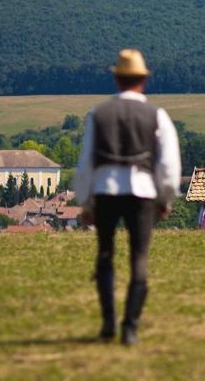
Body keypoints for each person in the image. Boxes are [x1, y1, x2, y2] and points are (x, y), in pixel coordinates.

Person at [75, 48, 181, 346]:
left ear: (117, 79)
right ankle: (130, 326)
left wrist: (86, 202)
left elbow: (86, 163)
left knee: (105, 256)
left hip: (106, 190)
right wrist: (165, 198)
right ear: (142, 80)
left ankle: (108, 321)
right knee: (139, 259)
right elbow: (169, 164)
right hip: (143, 192)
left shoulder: (99, 114)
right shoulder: (156, 115)